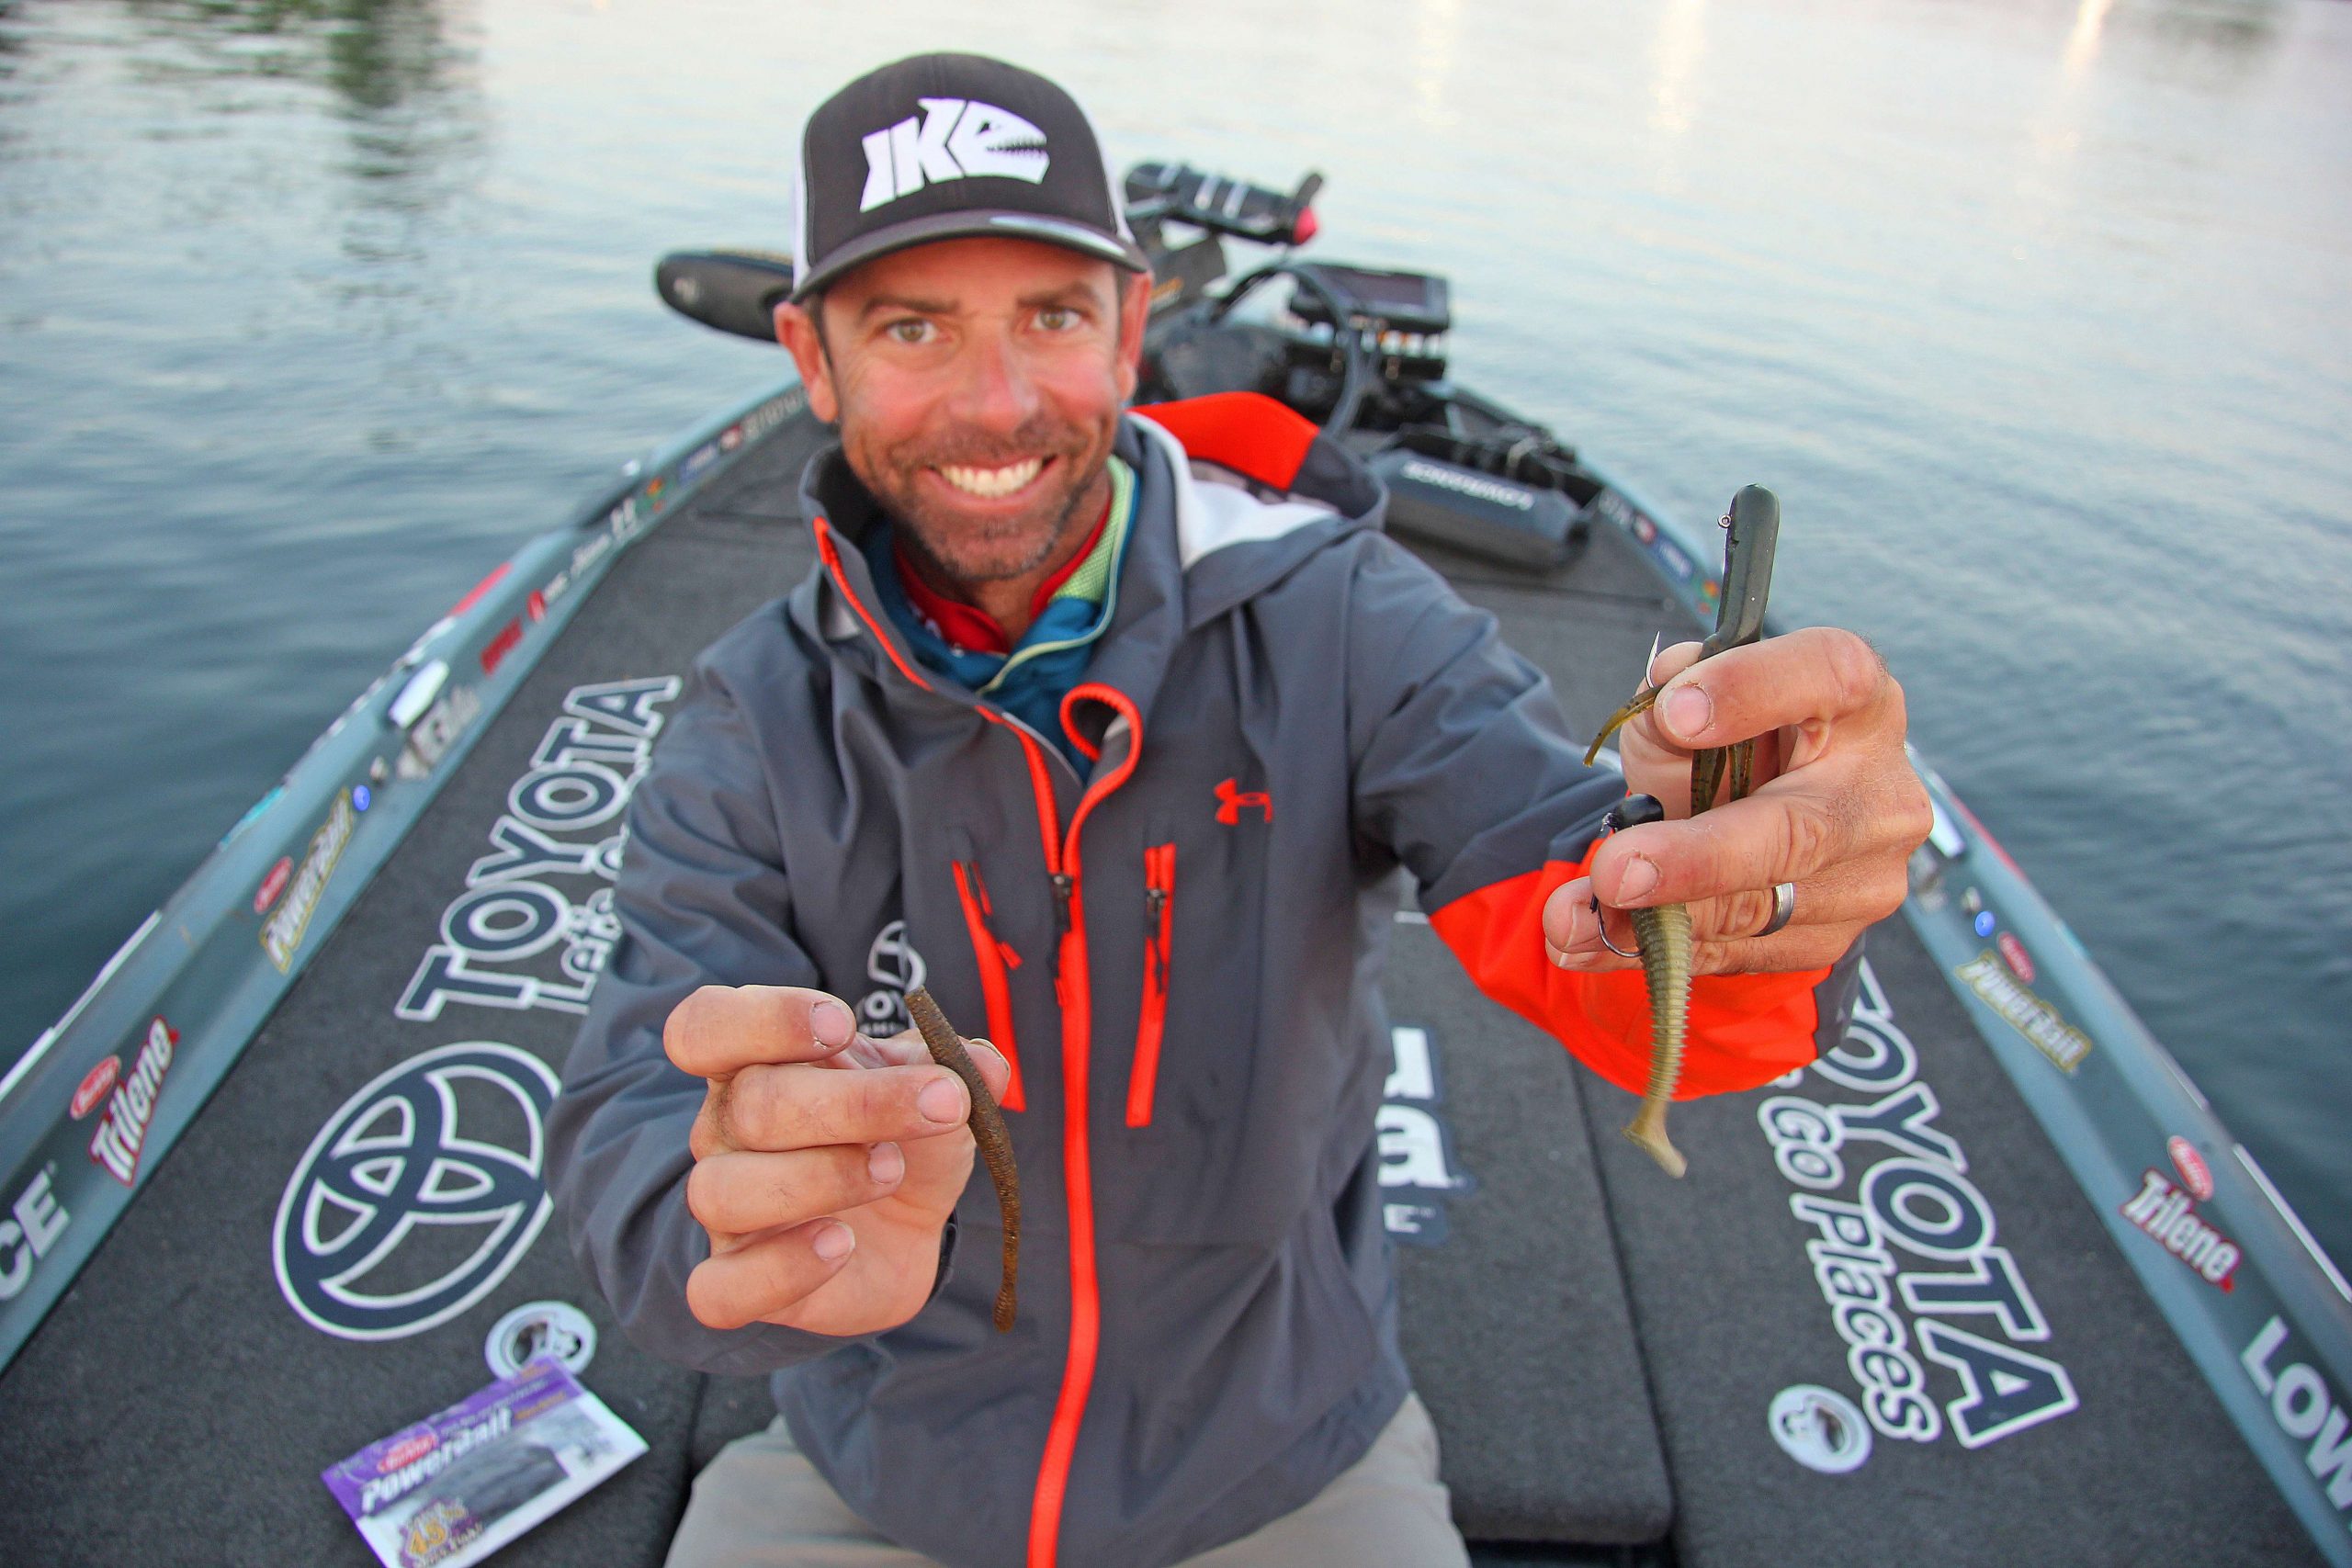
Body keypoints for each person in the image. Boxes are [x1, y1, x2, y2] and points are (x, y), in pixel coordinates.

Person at [545, 51, 1930, 1568]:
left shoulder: (1347, 617)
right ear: (812, 359)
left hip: (1289, 1464)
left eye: (1051, 317)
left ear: (1132, 328)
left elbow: (1576, 915)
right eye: (913, 328)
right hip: (873, 1462)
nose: (996, 403)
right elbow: (640, 1150)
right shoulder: (752, 718)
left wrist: (1744, 898)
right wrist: (764, 1231)